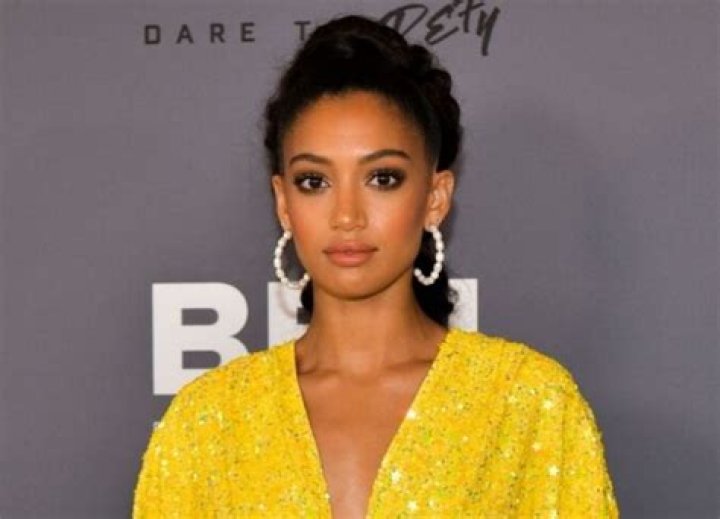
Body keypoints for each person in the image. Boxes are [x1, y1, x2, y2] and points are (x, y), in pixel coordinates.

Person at [133, 14, 618, 518]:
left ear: (435, 196)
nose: (347, 216)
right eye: (314, 181)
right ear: (283, 203)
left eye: (382, 178)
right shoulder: (207, 423)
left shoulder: (529, 405)